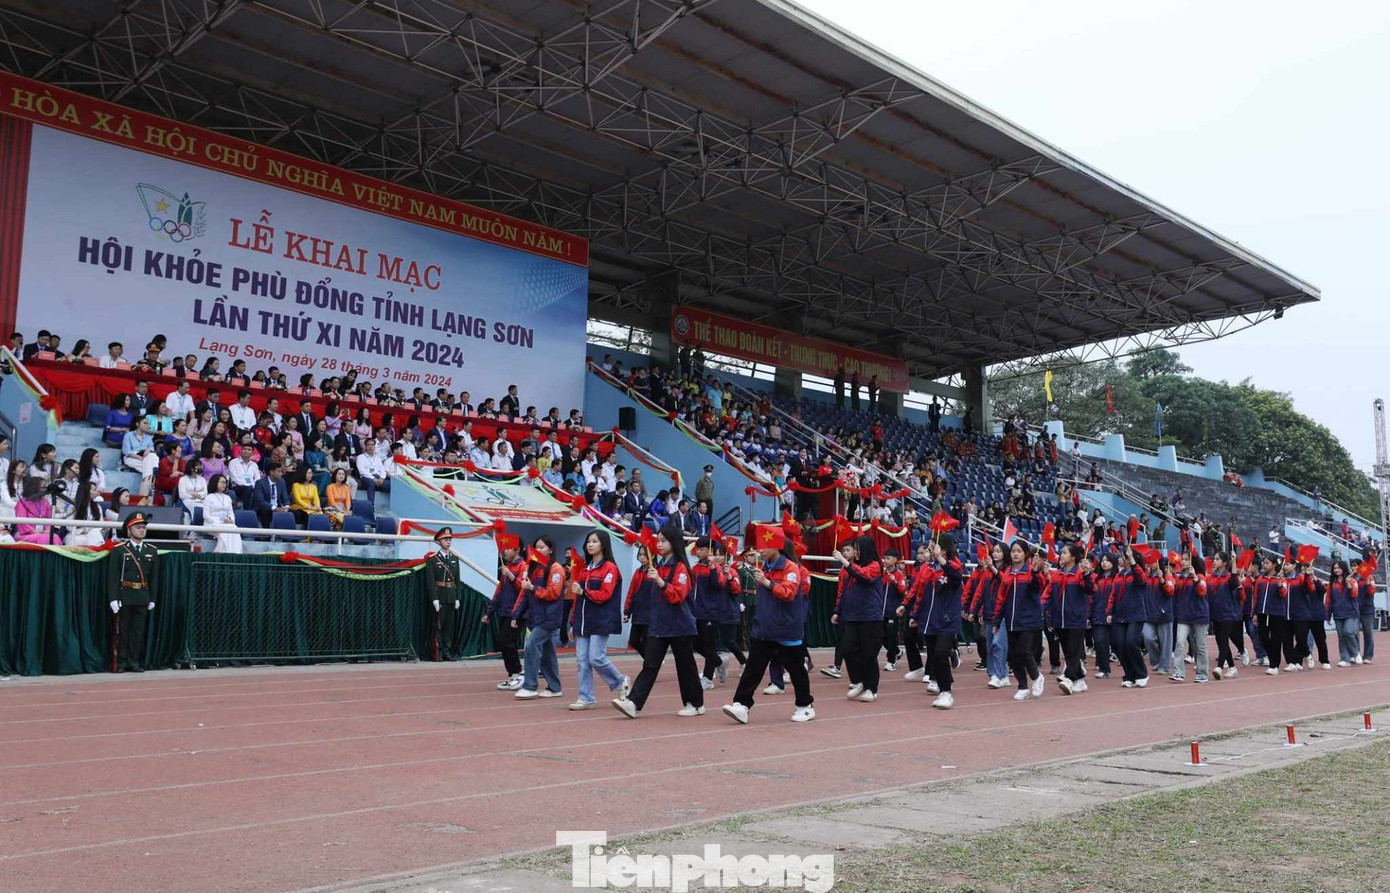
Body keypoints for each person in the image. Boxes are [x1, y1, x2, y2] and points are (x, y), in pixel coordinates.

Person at [721, 525, 815, 724]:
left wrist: (767, 582)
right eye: (759, 546)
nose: (760, 550)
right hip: (764, 628)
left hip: (787, 629)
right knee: (753, 668)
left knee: (796, 669)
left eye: (765, 545)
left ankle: (805, 706)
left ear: (777, 546)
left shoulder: (791, 568)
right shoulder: (765, 567)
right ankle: (742, 705)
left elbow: (789, 593)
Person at [613, 523, 704, 718]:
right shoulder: (658, 567)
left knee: (685, 666)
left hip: (679, 625)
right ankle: (633, 703)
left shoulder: (681, 568)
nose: (659, 544)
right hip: (659, 624)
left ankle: (695, 703)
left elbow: (677, 596)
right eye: (658, 540)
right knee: (650, 665)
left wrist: (661, 582)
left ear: (674, 542)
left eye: (664, 541)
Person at [568, 529, 629, 709]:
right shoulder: (584, 571)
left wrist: (584, 591)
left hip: (601, 620)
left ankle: (620, 681)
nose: (590, 544)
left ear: (603, 544)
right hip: (583, 622)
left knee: (596, 658)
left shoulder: (610, 568)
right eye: (588, 541)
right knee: (582, 661)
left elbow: (605, 594)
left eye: (594, 541)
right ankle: (586, 697)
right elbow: (577, 599)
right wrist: (573, 622)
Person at [904, 538, 965, 708]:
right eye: (929, 548)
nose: (930, 551)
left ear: (944, 549)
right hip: (929, 620)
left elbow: (956, 577)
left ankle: (946, 692)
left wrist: (941, 560)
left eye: (933, 547)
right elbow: (920, 592)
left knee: (941, 652)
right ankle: (943, 683)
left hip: (947, 620)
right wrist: (914, 614)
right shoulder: (927, 567)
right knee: (934, 655)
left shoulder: (954, 565)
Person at [830, 536, 885, 702]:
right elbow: (843, 591)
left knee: (868, 654)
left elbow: (864, 576)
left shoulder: (875, 566)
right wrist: (838, 611)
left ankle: (871, 688)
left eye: (857, 549)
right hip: (853, 616)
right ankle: (859, 681)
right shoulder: (851, 569)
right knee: (847, 649)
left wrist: (844, 561)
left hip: (870, 617)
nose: (855, 552)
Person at [992, 540, 1048, 700]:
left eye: (1019, 551)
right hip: (1011, 621)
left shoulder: (1031, 571)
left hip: (1029, 621)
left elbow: (1038, 587)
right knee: (1013, 656)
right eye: (1013, 551)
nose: (1015, 554)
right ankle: (1022, 687)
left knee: (1025, 651)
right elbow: (1001, 599)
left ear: (1025, 554)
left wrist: (1036, 571)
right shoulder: (1007, 574)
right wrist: (997, 620)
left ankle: (1036, 676)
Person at [512, 535, 566, 699]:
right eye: (536, 547)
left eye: (542, 547)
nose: (538, 550)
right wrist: (516, 614)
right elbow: (524, 593)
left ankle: (530, 686)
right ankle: (555, 687)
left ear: (550, 550)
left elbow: (553, 593)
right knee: (548, 654)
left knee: (531, 646)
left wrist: (533, 588)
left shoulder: (556, 569)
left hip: (549, 618)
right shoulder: (534, 568)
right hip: (536, 617)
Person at [107, 512, 159, 672]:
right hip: (125, 595)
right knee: (123, 631)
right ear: (129, 530)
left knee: (138, 631)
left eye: (143, 527)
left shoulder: (151, 550)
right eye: (138, 527)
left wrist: (152, 598)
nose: (142, 530)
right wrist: (113, 598)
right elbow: (113, 576)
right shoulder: (120, 550)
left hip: (142, 595)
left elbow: (154, 578)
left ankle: (133, 661)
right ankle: (121, 662)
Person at [1045, 544, 1095, 694]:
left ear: (1073, 557)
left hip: (1076, 619)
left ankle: (1069, 678)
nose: (1061, 555)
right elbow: (1047, 594)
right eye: (1061, 552)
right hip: (1059, 619)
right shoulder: (1057, 574)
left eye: (1064, 553)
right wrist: (1042, 610)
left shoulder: (1080, 573)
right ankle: (1080, 680)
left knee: (1073, 650)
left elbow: (1090, 589)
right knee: (1067, 651)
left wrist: (1086, 574)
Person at [483, 533, 526, 690]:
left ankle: (519, 673)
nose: (505, 551)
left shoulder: (523, 566)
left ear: (517, 550)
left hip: (517, 612)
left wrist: (512, 577)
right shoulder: (506, 568)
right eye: (504, 548)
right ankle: (513, 675)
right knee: (503, 643)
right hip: (504, 611)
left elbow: (524, 589)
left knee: (508, 642)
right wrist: (489, 612)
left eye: (508, 548)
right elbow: (499, 591)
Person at [1206, 552, 1248, 679]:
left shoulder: (1229, 577)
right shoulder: (1210, 577)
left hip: (1228, 613)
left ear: (1224, 562)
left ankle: (1219, 667)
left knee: (1223, 638)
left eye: (1217, 559)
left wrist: (1234, 562)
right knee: (1220, 641)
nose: (1214, 561)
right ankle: (1232, 667)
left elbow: (1234, 582)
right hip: (1215, 613)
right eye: (1214, 559)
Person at [423, 528, 463, 661]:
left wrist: (457, 598)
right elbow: (430, 581)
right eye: (446, 539)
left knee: (448, 628)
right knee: (438, 626)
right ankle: (437, 652)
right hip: (439, 595)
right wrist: (434, 598)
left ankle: (447, 651)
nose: (448, 542)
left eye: (450, 539)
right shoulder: (433, 559)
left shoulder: (454, 559)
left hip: (451, 595)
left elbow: (457, 580)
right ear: (439, 541)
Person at [1170, 553, 1210, 683]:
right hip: (1184, 615)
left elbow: (1202, 591)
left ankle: (1202, 673)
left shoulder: (1200, 577)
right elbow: (1173, 593)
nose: (1183, 561)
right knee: (1180, 642)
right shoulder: (1179, 578)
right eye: (1182, 559)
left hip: (1199, 615)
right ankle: (1178, 672)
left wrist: (1195, 578)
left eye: (1186, 559)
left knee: (1200, 645)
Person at [1253, 554, 1292, 675]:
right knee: (1263, 637)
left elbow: (1283, 594)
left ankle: (1274, 665)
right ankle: (1272, 658)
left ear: (1274, 565)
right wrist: (1255, 613)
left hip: (1277, 613)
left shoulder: (1281, 579)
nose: (1264, 565)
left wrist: (1280, 584)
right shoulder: (1261, 579)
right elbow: (1256, 596)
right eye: (1264, 563)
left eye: (1267, 563)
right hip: (1262, 613)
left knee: (1276, 639)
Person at [1326, 561, 1362, 666]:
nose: (1336, 570)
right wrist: (1328, 614)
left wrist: (1348, 584)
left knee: (1348, 632)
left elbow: (1354, 594)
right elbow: (1328, 599)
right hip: (1337, 612)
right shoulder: (1332, 583)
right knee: (1341, 636)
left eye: (1338, 568)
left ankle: (1355, 653)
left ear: (1343, 568)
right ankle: (1345, 659)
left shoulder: (1352, 580)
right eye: (1335, 568)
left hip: (1351, 612)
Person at [202, 474, 243, 554]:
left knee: (234, 528)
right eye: (222, 482)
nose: (224, 484)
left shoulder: (228, 498)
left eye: (225, 483)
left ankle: (235, 553)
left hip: (226, 523)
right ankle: (221, 553)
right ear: (215, 483)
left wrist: (231, 520)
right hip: (211, 523)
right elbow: (206, 515)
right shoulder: (209, 497)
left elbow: (231, 512)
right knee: (224, 530)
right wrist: (219, 522)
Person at [13, 476, 61, 544]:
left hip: (43, 533)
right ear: (34, 488)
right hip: (25, 534)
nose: (45, 489)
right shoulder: (22, 503)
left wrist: (47, 530)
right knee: (43, 538)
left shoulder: (45, 503)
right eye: (43, 487)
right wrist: (34, 531)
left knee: (55, 537)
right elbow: (22, 523)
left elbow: (49, 520)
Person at [1352, 558, 1377, 663]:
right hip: (1354, 609)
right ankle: (1355, 654)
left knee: (1368, 633)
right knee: (1354, 633)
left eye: (1355, 565)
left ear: (1361, 566)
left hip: (1367, 609)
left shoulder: (1369, 577)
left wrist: (1367, 582)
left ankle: (1368, 656)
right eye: (1352, 565)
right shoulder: (1351, 578)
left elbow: (1371, 592)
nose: (1354, 567)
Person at [250, 463, 290, 527]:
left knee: (292, 512)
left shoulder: (282, 481)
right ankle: (266, 532)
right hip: (264, 507)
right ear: (272, 472)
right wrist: (274, 508)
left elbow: (285, 497)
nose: (281, 473)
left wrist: (286, 507)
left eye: (281, 471)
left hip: (278, 507)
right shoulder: (260, 483)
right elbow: (260, 501)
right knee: (265, 511)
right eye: (279, 471)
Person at [355, 438, 390, 503]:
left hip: (378, 478)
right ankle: (371, 506)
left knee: (392, 485)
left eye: (372, 445)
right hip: (366, 478)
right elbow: (362, 471)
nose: (370, 447)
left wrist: (381, 478)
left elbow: (382, 470)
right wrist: (373, 478)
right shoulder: (360, 457)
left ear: (374, 446)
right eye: (368, 445)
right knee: (371, 483)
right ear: (365, 446)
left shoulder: (378, 458)